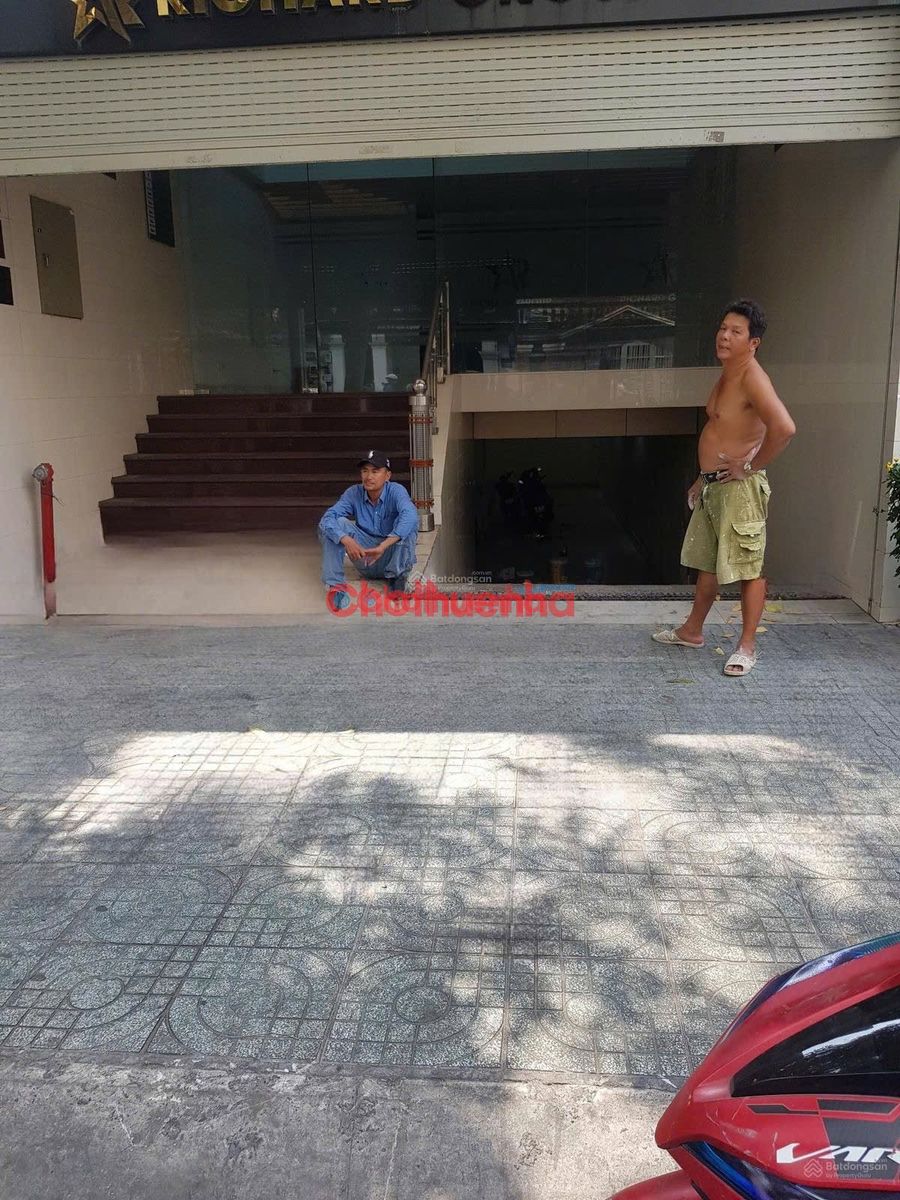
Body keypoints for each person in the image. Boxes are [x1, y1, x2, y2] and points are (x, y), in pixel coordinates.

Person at [652, 299, 796, 676]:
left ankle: (746, 647)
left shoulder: (752, 378)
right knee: (708, 564)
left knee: (749, 568)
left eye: (736, 332)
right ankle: (692, 631)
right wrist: (702, 478)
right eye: (722, 328)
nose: (725, 336)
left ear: (753, 342)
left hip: (739, 489)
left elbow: (784, 428)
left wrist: (749, 466)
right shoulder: (728, 373)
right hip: (715, 486)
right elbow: (721, 429)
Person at [318, 450, 418, 612]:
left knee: (409, 520)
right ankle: (336, 587)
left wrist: (383, 546)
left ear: (387, 476)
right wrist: (346, 539)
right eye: (365, 471)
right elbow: (327, 518)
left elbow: (410, 516)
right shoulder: (354, 493)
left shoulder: (396, 491)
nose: (368, 476)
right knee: (335, 524)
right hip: (365, 557)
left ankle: (397, 578)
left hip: (390, 555)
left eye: (375, 471)